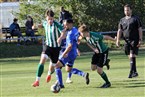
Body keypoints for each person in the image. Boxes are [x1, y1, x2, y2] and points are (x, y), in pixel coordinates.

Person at [54, 19, 90, 88]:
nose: (65, 26)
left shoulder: (70, 34)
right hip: (73, 53)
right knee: (68, 69)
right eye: (64, 24)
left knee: (57, 66)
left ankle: (60, 84)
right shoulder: (74, 29)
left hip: (69, 53)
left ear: (70, 24)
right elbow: (79, 37)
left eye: (66, 24)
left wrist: (64, 53)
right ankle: (83, 74)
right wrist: (77, 47)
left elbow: (70, 46)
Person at [32, 9, 63, 87]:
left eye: (51, 19)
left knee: (52, 66)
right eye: (49, 19)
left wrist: (60, 37)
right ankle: (37, 81)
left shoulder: (57, 24)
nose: (50, 21)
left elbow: (63, 31)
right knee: (42, 60)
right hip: (48, 46)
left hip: (56, 48)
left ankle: (49, 74)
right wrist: (35, 26)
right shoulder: (45, 23)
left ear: (53, 18)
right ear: (46, 18)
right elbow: (41, 25)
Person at [116, 4, 143, 78]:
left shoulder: (135, 19)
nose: (126, 11)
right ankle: (135, 72)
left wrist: (140, 39)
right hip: (126, 41)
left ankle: (131, 72)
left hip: (134, 39)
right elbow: (119, 30)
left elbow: (140, 29)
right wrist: (117, 40)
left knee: (132, 55)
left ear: (131, 10)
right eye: (125, 10)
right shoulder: (122, 20)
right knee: (130, 56)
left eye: (128, 10)